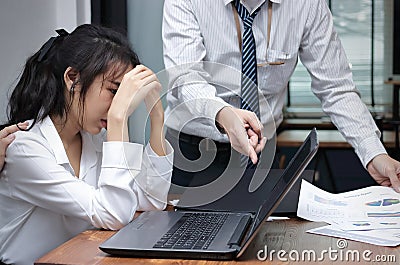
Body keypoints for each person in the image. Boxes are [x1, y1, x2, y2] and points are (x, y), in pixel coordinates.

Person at [162, 0, 400, 191]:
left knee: (264, 245)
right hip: (191, 151)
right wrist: (223, 115)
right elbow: (185, 79)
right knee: (185, 243)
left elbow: (335, 86)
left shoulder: (306, 5)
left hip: (261, 153)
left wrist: (375, 153)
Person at [0, 24, 173, 265]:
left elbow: (149, 202)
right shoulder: (25, 149)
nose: (119, 105)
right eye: (114, 91)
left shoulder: (93, 138)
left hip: (80, 259)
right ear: (73, 79)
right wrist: (117, 119)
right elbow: (114, 214)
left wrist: (157, 119)